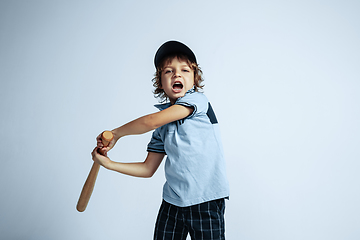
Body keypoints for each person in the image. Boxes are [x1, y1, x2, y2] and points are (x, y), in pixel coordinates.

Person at [92, 40, 230, 240]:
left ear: (194, 79)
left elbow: (150, 121)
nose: (177, 74)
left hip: (205, 201)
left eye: (185, 70)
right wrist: (109, 164)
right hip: (173, 203)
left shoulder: (197, 101)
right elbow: (148, 169)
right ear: (160, 81)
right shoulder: (163, 127)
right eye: (168, 71)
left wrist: (116, 133)